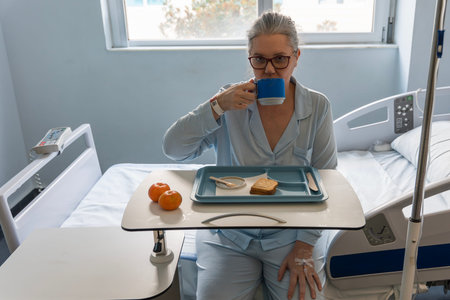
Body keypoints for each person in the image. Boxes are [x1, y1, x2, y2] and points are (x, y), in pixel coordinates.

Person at [163, 11, 337, 300]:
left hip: (292, 235)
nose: (269, 70)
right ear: (250, 59)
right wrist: (216, 106)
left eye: (280, 58)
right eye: (259, 59)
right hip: (228, 235)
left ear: (296, 57)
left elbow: (326, 177)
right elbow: (173, 149)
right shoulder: (229, 102)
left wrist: (305, 246)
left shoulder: (317, 106)